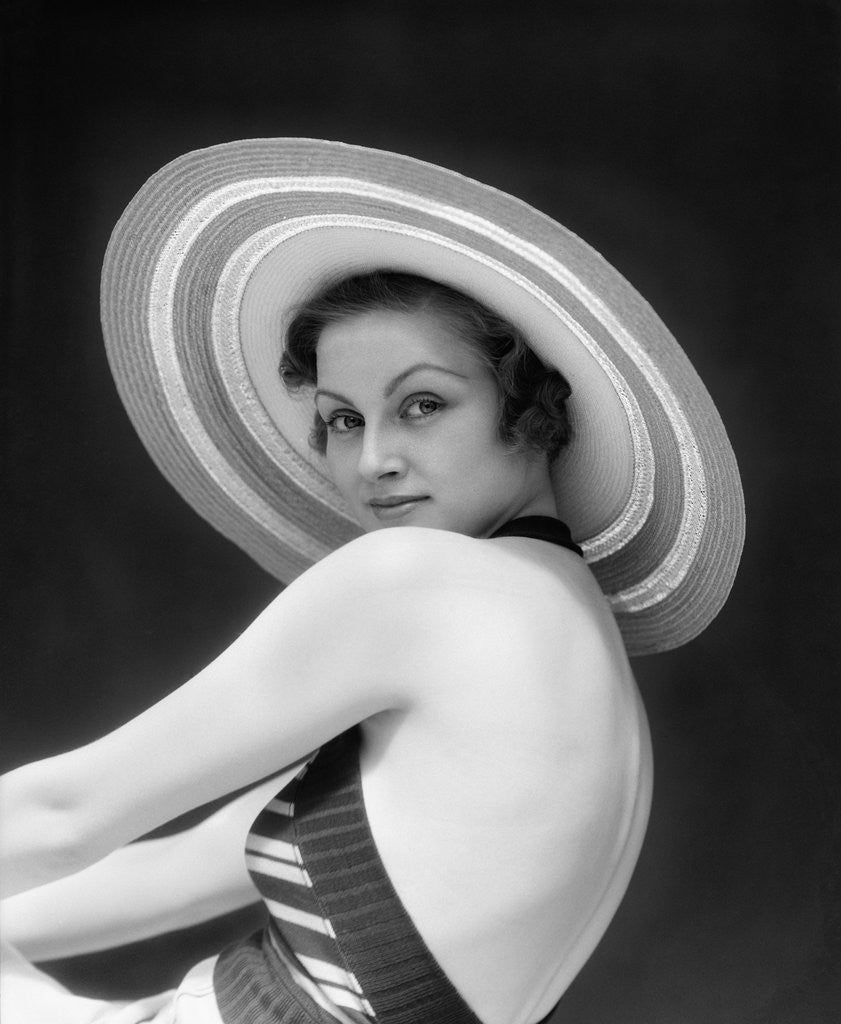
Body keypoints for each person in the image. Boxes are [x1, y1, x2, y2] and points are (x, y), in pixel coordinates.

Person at [0, 139, 745, 1024]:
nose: (375, 460)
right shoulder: (559, 637)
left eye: (422, 404)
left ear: (535, 410)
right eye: (342, 420)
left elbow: (62, 816)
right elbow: (177, 871)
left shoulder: (425, 586)